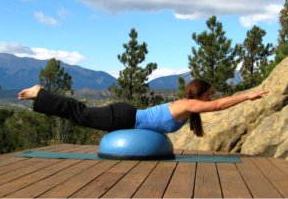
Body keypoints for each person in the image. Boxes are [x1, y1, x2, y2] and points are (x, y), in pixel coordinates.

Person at [18, 79, 268, 137]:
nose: (211, 98)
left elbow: (223, 99)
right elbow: (220, 105)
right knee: (81, 114)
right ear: (200, 94)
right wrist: (247, 97)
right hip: (125, 117)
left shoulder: (189, 108)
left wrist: (245, 94)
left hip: (127, 117)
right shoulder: (188, 104)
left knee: (81, 116)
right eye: (209, 95)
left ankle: (42, 96)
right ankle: (41, 93)